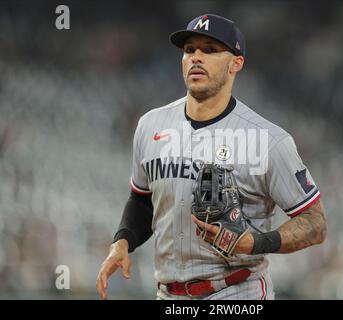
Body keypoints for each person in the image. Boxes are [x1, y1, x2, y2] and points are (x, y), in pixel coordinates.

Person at [96, 13, 327, 300]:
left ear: (236, 63)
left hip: (237, 291)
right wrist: (122, 242)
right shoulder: (150, 125)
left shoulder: (268, 140)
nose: (196, 57)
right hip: (169, 296)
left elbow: (315, 223)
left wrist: (255, 243)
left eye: (210, 49)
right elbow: (142, 199)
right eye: (190, 49)